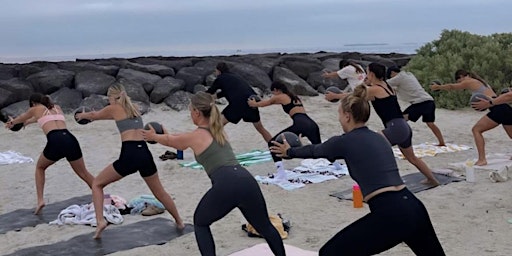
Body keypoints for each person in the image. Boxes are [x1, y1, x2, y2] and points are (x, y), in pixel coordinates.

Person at [270, 84, 446, 256]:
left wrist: (289, 151)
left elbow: (315, 150)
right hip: (414, 206)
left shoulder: (344, 141)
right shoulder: (379, 138)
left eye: (339, 114)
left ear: (347, 116)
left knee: (329, 253)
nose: (339, 119)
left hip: (392, 213)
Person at [141, 91, 285, 256]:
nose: (190, 115)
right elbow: (179, 139)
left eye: (190, 111)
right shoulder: (218, 130)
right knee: (265, 227)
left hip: (227, 184)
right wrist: (164, 135)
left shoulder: (196, 136)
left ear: (196, 112)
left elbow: (174, 142)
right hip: (246, 180)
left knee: (200, 223)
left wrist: (154, 136)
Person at [75, 83, 184, 239]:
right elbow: (104, 115)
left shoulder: (114, 108)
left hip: (130, 154)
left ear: (112, 97)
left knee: (97, 184)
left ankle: (100, 222)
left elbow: (95, 116)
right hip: (145, 153)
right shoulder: (134, 108)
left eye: (109, 98)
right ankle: (179, 221)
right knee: (159, 192)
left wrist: (81, 116)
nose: (109, 101)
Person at [4, 93, 94, 215]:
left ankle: (40, 200)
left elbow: (22, 117)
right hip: (70, 139)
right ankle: (101, 195)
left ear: (33, 103)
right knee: (84, 172)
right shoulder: (57, 108)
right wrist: (25, 124)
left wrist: (12, 122)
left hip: (55, 140)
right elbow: (35, 119)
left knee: (40, 168)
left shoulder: (36, 108)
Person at [366, 63, 439, 185]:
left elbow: (355, 96)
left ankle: (385, 182)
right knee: (412, 158)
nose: (366, 75)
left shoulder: (375, 89)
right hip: (403, 127)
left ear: (372, 74)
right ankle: (432, 179)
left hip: (396, 128)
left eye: (367, 72)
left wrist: (336, 96)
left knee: (373, 149)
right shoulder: (386, 86)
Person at [431, 69, 511, 166]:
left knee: (476, 130)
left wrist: (438, 87)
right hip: (502, 107)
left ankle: (482, 159)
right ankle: (483, 159)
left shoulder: (470, 81)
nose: (461, 83)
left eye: (459, 81)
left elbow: (452, 87)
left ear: (462, 76)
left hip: (497, 108)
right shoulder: (480, 82)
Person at [248, 81, 324, 180]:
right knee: (320, 148)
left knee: (272, 143)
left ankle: (281, 173)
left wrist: (253, 104)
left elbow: (266, 103)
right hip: (312, 124)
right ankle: (336, 166)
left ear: (276, 90)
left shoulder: (280, 96)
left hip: (301, 124)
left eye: (273, 92)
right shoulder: (293, 97)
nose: (273, 94)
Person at [206, 62, 272, 143]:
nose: (215, 73)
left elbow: (209, 92)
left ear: (219, 71)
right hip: (251, 102)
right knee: (260, 129)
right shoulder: (234, 77)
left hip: (238, 105)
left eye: (215, 71)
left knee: (216, 126)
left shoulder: (220, 78)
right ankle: (274, 146)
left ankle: (217, 149)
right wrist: (215, 97)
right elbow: (228, 91)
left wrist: (200, 98)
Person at [386, 66, 446, 146]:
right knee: (430, 123)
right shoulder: (409, 75)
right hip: (429, 101)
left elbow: (385, 83)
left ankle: (394, 140)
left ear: (392, 73)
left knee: (401, 120)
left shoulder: (399, 77)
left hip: (420, 103)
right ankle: (442, 142)